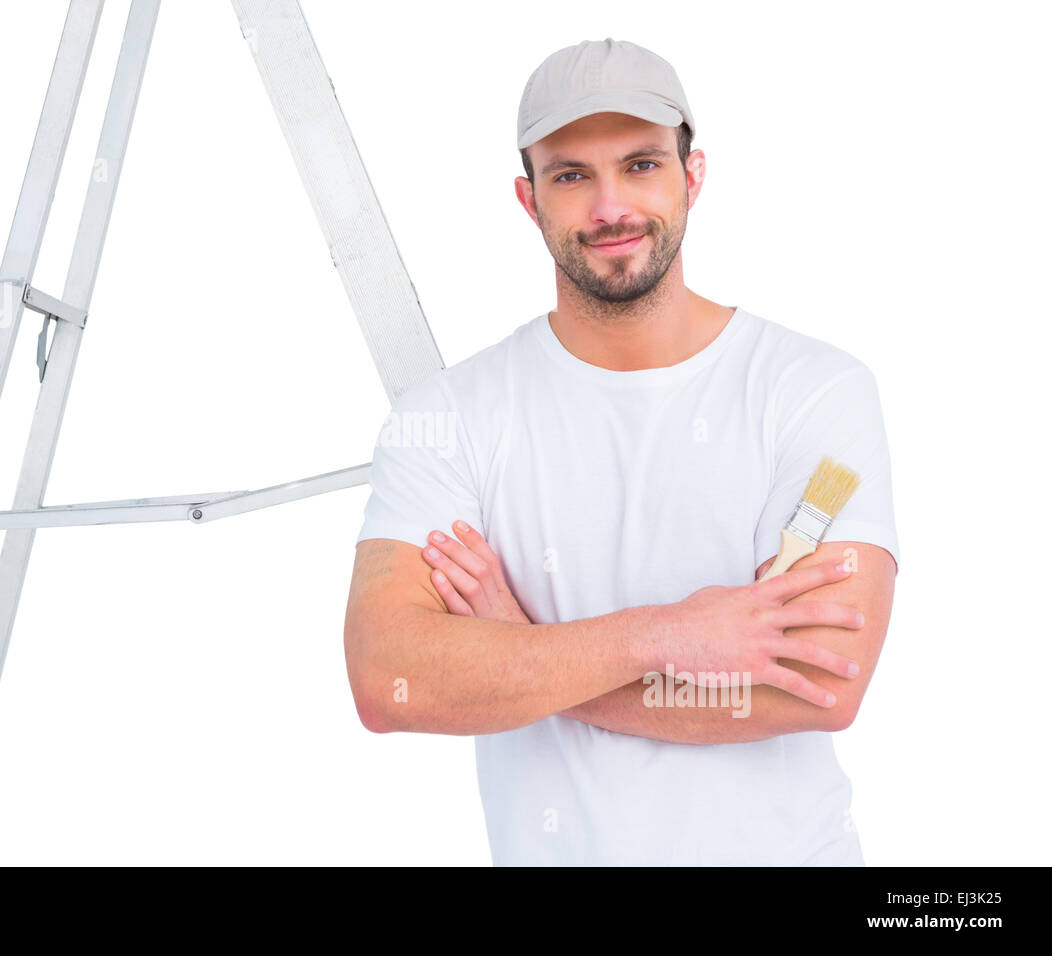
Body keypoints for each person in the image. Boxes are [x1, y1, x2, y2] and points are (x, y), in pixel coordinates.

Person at [343, 38, 899, 866]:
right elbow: (391, 679)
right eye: (572, 176)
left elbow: (822, 681)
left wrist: (522, 649)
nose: (610, 208)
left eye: (641, 165)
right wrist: (664, 635)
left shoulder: (813, 390)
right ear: (529, 200)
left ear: (692, 176)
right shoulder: (450, 417)